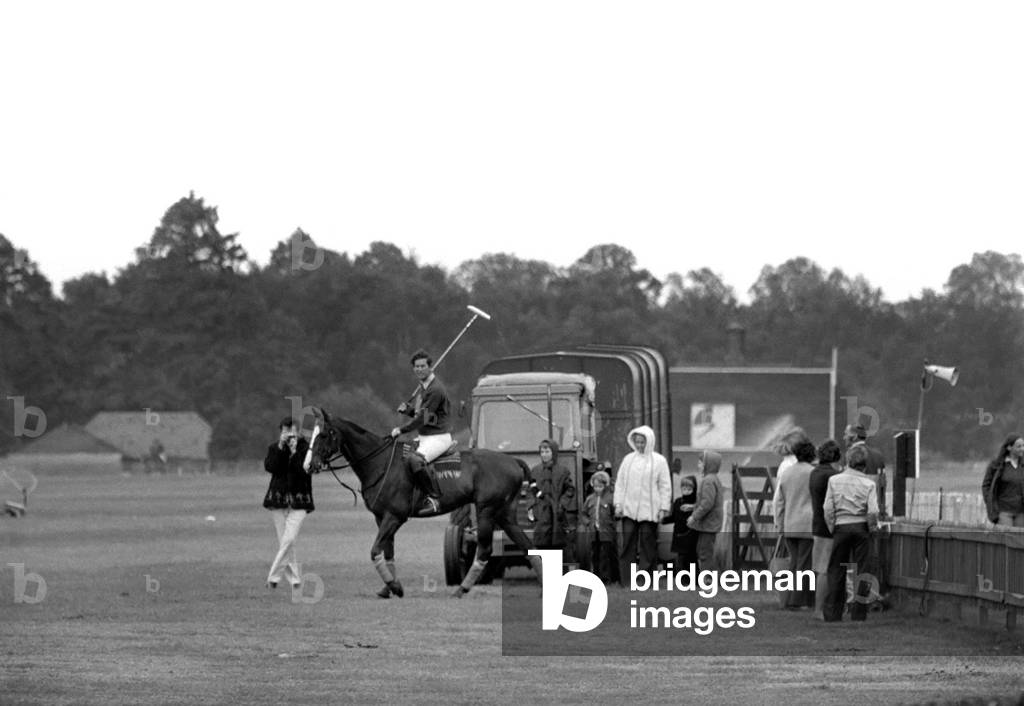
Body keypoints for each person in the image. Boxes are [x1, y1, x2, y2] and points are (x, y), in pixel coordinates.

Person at [391, 348, 452, 516]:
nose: (419, 369)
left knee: (414, 461)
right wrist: (409, 410)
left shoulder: (435, 390)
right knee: (401, 455)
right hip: (425, 437)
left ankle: (433, 498)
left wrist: (401, 430)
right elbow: (425, 415)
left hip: (438, 437)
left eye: (422, 366)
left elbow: (423, 419)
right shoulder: (423, 388)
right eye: (416, 366)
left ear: (430, 367)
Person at [822, 445, 879, 622]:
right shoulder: (869, 484)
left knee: (836, 570)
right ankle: (859, 613)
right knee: (863, 571)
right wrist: (872, 529)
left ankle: (833, 612)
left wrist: (833, 527)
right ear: (864, 464)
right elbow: (873, 511)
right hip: (861, 528)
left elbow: (827, 508)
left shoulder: (834, 480)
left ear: (848, 461)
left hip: (841, 527)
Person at [613, 425, 672, 584]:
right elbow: (620, 483)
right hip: (629, 510)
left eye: (642, 442)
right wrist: (618, 504)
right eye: (637, 442)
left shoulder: (659, 461)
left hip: (650, 511)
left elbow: (665, 486)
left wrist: (663, 508)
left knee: (648, 545)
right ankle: (627, 580)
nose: (639, 445)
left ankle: (647, 579)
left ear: (650, 442)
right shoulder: (628, 460)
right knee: (628, 545)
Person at [263, 416, 314, 589]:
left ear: (298, 432)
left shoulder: (307, 449)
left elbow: (305, 471)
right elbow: (271, 467)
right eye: (284, 430)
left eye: (291, 430)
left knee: (289, 538)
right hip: (278, 500)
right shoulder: (274, 447)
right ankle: (295, 580)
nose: (288, 434)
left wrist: (295, 453)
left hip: (300, 501)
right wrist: (280, 448)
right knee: (285, 541)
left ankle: (272, 577)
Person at [773, 438, 817, 609]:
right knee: (805, 565)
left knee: (794, 562)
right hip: (808, 524)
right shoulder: (813, 472)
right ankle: (798, 601)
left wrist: (779, 523)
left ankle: (789, 598)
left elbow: (779, 501)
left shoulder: (787, 473)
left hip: (790, 523)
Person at [809, 438, 843, 616]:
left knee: (819, 569)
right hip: (828, 526)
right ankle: (819, 610)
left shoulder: (814, 472)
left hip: (817, 524)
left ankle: (821, 607)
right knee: (824, 570)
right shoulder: (831, 476)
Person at [528, 439, 576, 550]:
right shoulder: (535, 471)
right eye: (542, 452)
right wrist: (531, 506)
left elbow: (569, 489)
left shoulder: (563, 471)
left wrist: (562, 505)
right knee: (541, 545)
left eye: (547, 452)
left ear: (553, 453)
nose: (544, 455)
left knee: (557, 546)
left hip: (557, 516)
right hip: (541, 514)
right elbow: (531, 491)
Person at [687, 450, 725, 572]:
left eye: (700, 463)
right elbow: (707, 501)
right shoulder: (713, 479)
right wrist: (692, 507)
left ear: (708, 464)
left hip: (708, 524)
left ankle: (708, 580)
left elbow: (707, 503)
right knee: (704, 550)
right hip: (710, 524)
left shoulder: (708, 480)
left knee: (704, 553)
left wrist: (694, 516)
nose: (698, 465)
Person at [580, 470, 616, 583]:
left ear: (605, 486)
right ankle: (596, 576)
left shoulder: (610, 498)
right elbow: (583, 513)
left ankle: (607, 577)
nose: (598, 489)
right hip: (593, 531)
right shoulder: (590, 499)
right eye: (595, 486)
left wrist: (612, 525)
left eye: (600, 486)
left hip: (606, 531)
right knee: (594, 554)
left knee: (606, 555)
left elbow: (615, 514)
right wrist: (587, 523)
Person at [982, 434, 1024, 526]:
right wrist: (990, 504)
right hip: (1003, 512)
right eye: (1019, 446)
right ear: (1009, 447)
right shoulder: (996, 465)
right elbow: (986, 486)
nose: (1022, 449)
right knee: (1006, 538)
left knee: (1020, 539)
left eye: (1023, 446)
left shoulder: (1022, 465)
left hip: (1021, 513)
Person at [662, 474, 700, 572]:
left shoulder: (697, 502)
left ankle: (694, 579)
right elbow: (674, 517)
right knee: (681, 559)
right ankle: (684, 580)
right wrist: (663, 520)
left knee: (691, 558)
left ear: (694, 489)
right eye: (684, 488)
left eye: (689, 489)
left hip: (691, 535)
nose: (686, 491)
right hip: (679, 535)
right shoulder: (678, 501)